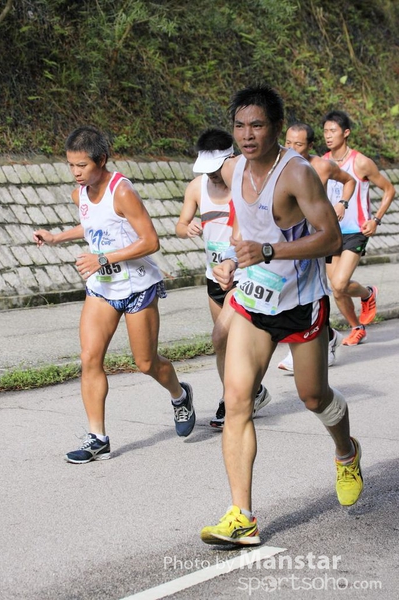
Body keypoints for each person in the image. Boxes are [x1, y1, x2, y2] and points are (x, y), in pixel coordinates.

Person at [200, 85, 363, 548]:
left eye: (257, 125)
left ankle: (346, 452)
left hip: (301, 303)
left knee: (314, 397)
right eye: (240, 126)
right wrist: (230, 260)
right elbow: (242, 225)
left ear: (275, 127)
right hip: (253, 301)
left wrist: (269, 251)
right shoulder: (234, 169)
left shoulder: (297, 174)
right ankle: (242, 516)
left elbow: (331, 238)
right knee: (237, 401)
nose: (247, 135)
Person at [33, 126, 195, 464]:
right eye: (70, 165)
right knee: (90, 358)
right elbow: (95, 225)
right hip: (102, 288)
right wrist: (56, 237)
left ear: (102, 159)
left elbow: (151, 241)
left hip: (137, 287)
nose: (76, 173)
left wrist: (103, 258)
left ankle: (180, 395)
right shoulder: (80, 193)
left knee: (146, 363)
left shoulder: (122, 191)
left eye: (82, 165)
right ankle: (98, 438)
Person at [175, 127, 271, 428]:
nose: (213, 176)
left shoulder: (247, 187)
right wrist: (187, 228)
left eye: (216, 170)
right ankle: (250, 392)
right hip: (213, 276)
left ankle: (232, 401)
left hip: (243, 274)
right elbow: (180, 225)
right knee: (224, 344)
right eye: (208, 171)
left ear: (231, 160)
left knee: (220, 336)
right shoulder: (196, 188)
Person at [278, 122, 356, 371]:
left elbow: (350, 181)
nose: (291, 148)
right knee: (291, 290)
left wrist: (342, 203)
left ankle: (315, 344)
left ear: (311, 145)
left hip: (316, 239)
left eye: (299, 144)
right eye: (288, 142)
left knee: (312, 293)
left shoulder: (322, 166)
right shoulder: (278, 163)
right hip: (289, 237)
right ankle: (328, 336)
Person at [322, 110, 395, 345]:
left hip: (356, 231)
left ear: (346, 133)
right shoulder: (322, 162)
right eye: (325, 131)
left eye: (333, 131)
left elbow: (389, 190)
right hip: (332, 232)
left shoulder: (360, 162)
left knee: (340, 283)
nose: (328, 135)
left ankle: (367, 294)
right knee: (336, 289)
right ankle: (356, 327)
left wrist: (376, 220)